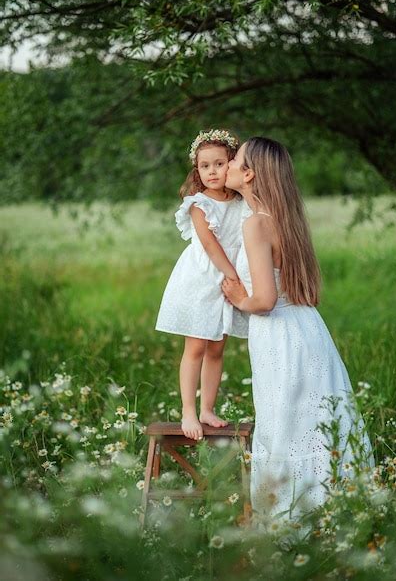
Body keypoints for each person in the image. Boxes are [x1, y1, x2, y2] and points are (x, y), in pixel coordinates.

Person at [222, 137, 373, 522]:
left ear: (250, 173)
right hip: (309, 331)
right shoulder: (284, 218)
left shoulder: (256, 225)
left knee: (286, 426)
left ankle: (291, 525)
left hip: (280, 338)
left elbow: (265, 300)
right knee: (317, 425)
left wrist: (239, 298)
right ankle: (338, 517)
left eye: (235, 160)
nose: (229, 165)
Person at [155, 129, 249, 441]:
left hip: (228, 279)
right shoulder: (199, 204)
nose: (212, 171)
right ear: (197, 169)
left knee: (218, 347)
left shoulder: (240, 202)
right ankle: (188, 411)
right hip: (203, 278)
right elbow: (210, 246)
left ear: (232, 164)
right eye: (205, 165)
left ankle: (207, 408)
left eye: (219, 164)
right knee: (196, 346)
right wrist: (233, 276)